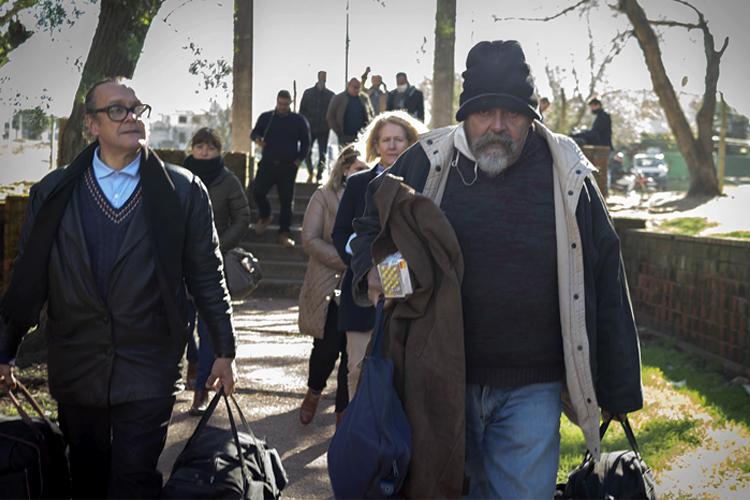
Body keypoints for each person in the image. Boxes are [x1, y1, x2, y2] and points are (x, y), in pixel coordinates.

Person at [349, 40, 643, 498]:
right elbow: (372, 228)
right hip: (441, 381)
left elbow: (605, 271)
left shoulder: (567, 172)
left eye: (513, 114)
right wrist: (383, 276)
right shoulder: (425, 161)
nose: (498, 127)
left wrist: (619, 387)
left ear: (532, 116)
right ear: (466, 114)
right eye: (485, 113)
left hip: (533, 386)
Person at [0, 77, 237, 498]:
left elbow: (206, 273)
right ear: (91, 124)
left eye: (136, 108)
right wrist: (5, 350)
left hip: (149, 360)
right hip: (77, 360)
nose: (131, 117)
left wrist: (224, 349)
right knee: (86, 478)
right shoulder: (54, 192)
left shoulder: (183, 191)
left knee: (134, 480)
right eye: (117, 110)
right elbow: (28, 278)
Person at [331, 110, 425, 401]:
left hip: (411, 293)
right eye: (386, 139)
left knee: (403, 373)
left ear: (411, 142)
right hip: (362, 292)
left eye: (400, 139)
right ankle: (359, 438)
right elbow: (341, 232)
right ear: (376, 143)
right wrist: (369, 265)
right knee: (359, 369)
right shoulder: (359, 183)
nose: (393, 145)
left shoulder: (425, 181)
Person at [297, 145, 368, 427]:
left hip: (360, 289)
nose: (362, 173)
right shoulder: (324, 196)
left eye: (366, 168)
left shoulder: (374, 196)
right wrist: (348, 261)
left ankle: (343, 414)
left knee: (352, 356)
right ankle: (314, 391)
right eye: (358, 168)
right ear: (345, 169)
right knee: (326, 349)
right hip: (328, 285)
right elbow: (310, 239)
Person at [183, 127, 250, 415]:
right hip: (179, 261)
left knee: (210, 327)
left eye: (210, 148)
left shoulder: (228, 180)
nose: (204, 152)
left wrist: (217, 246)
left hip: (213, 262)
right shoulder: (179, 176)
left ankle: (200, 390)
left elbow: (242, 216)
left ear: (218, 150)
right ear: (192, 149)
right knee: (182, 324)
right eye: (200, 147)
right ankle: (193, 358)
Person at [251, 89, 311, 248]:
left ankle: (284, 233)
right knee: (257, 191)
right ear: (277, 102)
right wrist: (258, 139)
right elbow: (254, 133)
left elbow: (306, 142)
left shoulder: (298, 120)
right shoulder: (266, 117)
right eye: (280, 103)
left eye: (285, 104)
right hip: (268, 164)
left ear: (290, 103)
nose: (282, 107)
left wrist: (299, 160)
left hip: (288, 167)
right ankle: (265, 215)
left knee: (286, 201)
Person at [299, 70, 335, 183]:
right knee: (306, 151)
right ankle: (310, 171)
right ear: (318, 77)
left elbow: (333, 112)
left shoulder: (330, 95)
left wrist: (329, 124)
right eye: (322, 77)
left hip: (324, 129)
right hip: (309, 128)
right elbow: (302, 110)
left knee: (322, 154)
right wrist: (303, 124)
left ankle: (319, 175)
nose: (323, 79)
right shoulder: (308, 93)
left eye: (325, 77)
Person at [326, 77, 374, 147]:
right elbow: (330, 116)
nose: (357, 90)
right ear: (349, 86)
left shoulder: (364, 98)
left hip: (361, 136)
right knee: (346, 156)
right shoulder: (339, 98)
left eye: (358, 88)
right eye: (354, 87)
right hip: (345, 137)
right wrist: (338, 132)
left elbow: (371, 115)